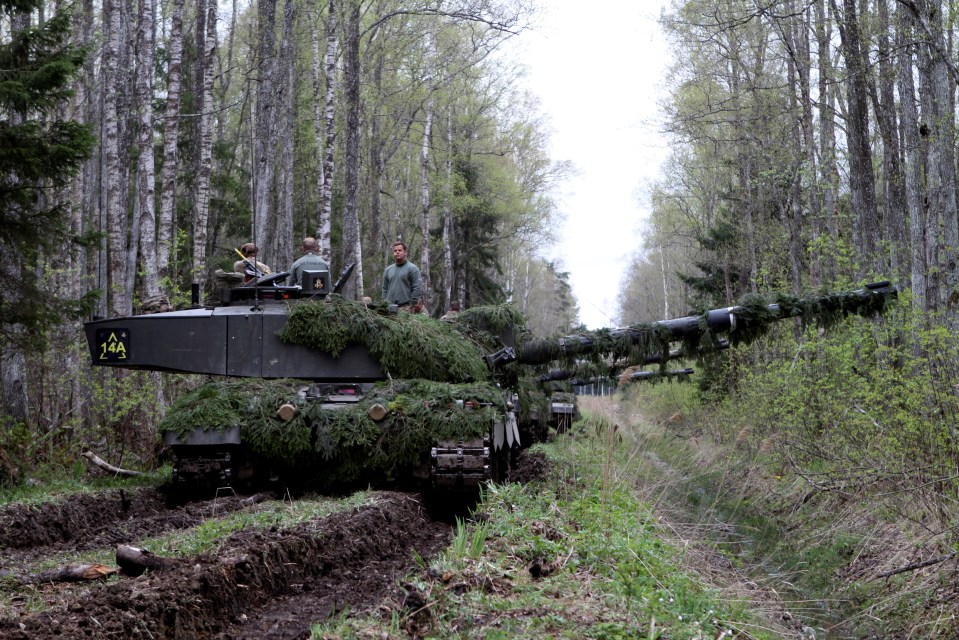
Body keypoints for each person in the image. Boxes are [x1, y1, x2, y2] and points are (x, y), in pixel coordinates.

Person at [382, 241, 423, 310]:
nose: (397, 252)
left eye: (400, 250)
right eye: (395, 251)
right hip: (389, 308)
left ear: (405, 252)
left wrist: (411, 305)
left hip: (405, 307)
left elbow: (417, 289)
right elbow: (384, 288)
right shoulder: (388, 270)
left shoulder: (413, 269)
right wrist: (385, 302)